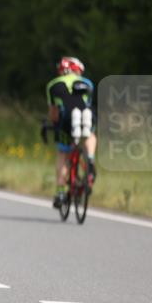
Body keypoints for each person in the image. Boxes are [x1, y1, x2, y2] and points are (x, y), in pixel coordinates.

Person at [46, 56, 97, 208]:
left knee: (63, 154)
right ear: (77, 70)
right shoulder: (87, 83)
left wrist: (54, 125)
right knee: (90, 133)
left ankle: (61, 192)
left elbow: (53, 114)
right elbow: (87, 103)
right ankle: (90, 159)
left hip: (67, 120)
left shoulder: (52, 85)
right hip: (85, 116)